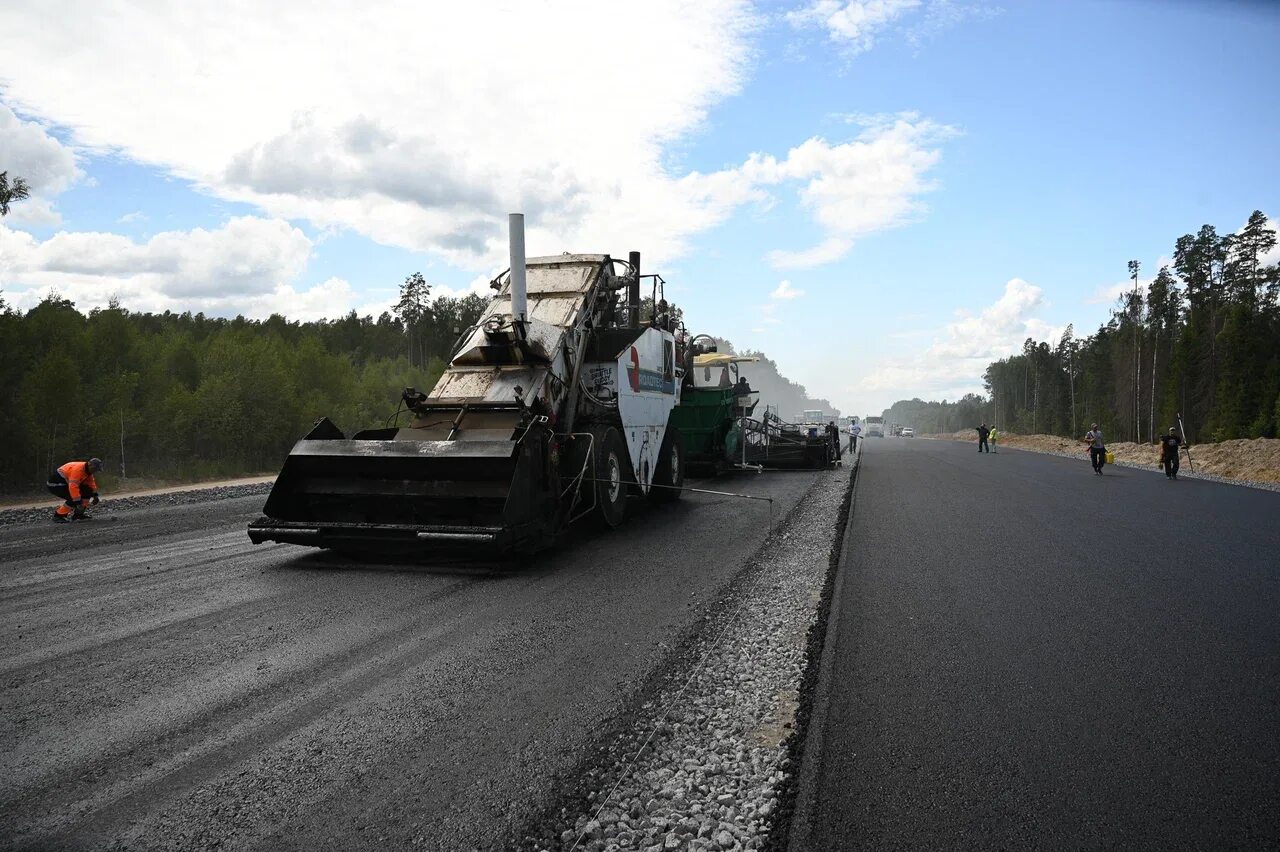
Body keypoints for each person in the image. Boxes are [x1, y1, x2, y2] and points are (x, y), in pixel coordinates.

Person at [47, 457, 103, 522]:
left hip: (65, 484)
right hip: (55, 485)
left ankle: (78, 515)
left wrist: (95, 496)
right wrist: (78, 502)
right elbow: (73, 487)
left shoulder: (88, 471)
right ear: (90, 465)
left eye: (96, 470)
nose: (95, 471)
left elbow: (91, 484)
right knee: (74, 497)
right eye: (95, 469)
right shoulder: (78, 470)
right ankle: (58, 516)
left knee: (88, 491)